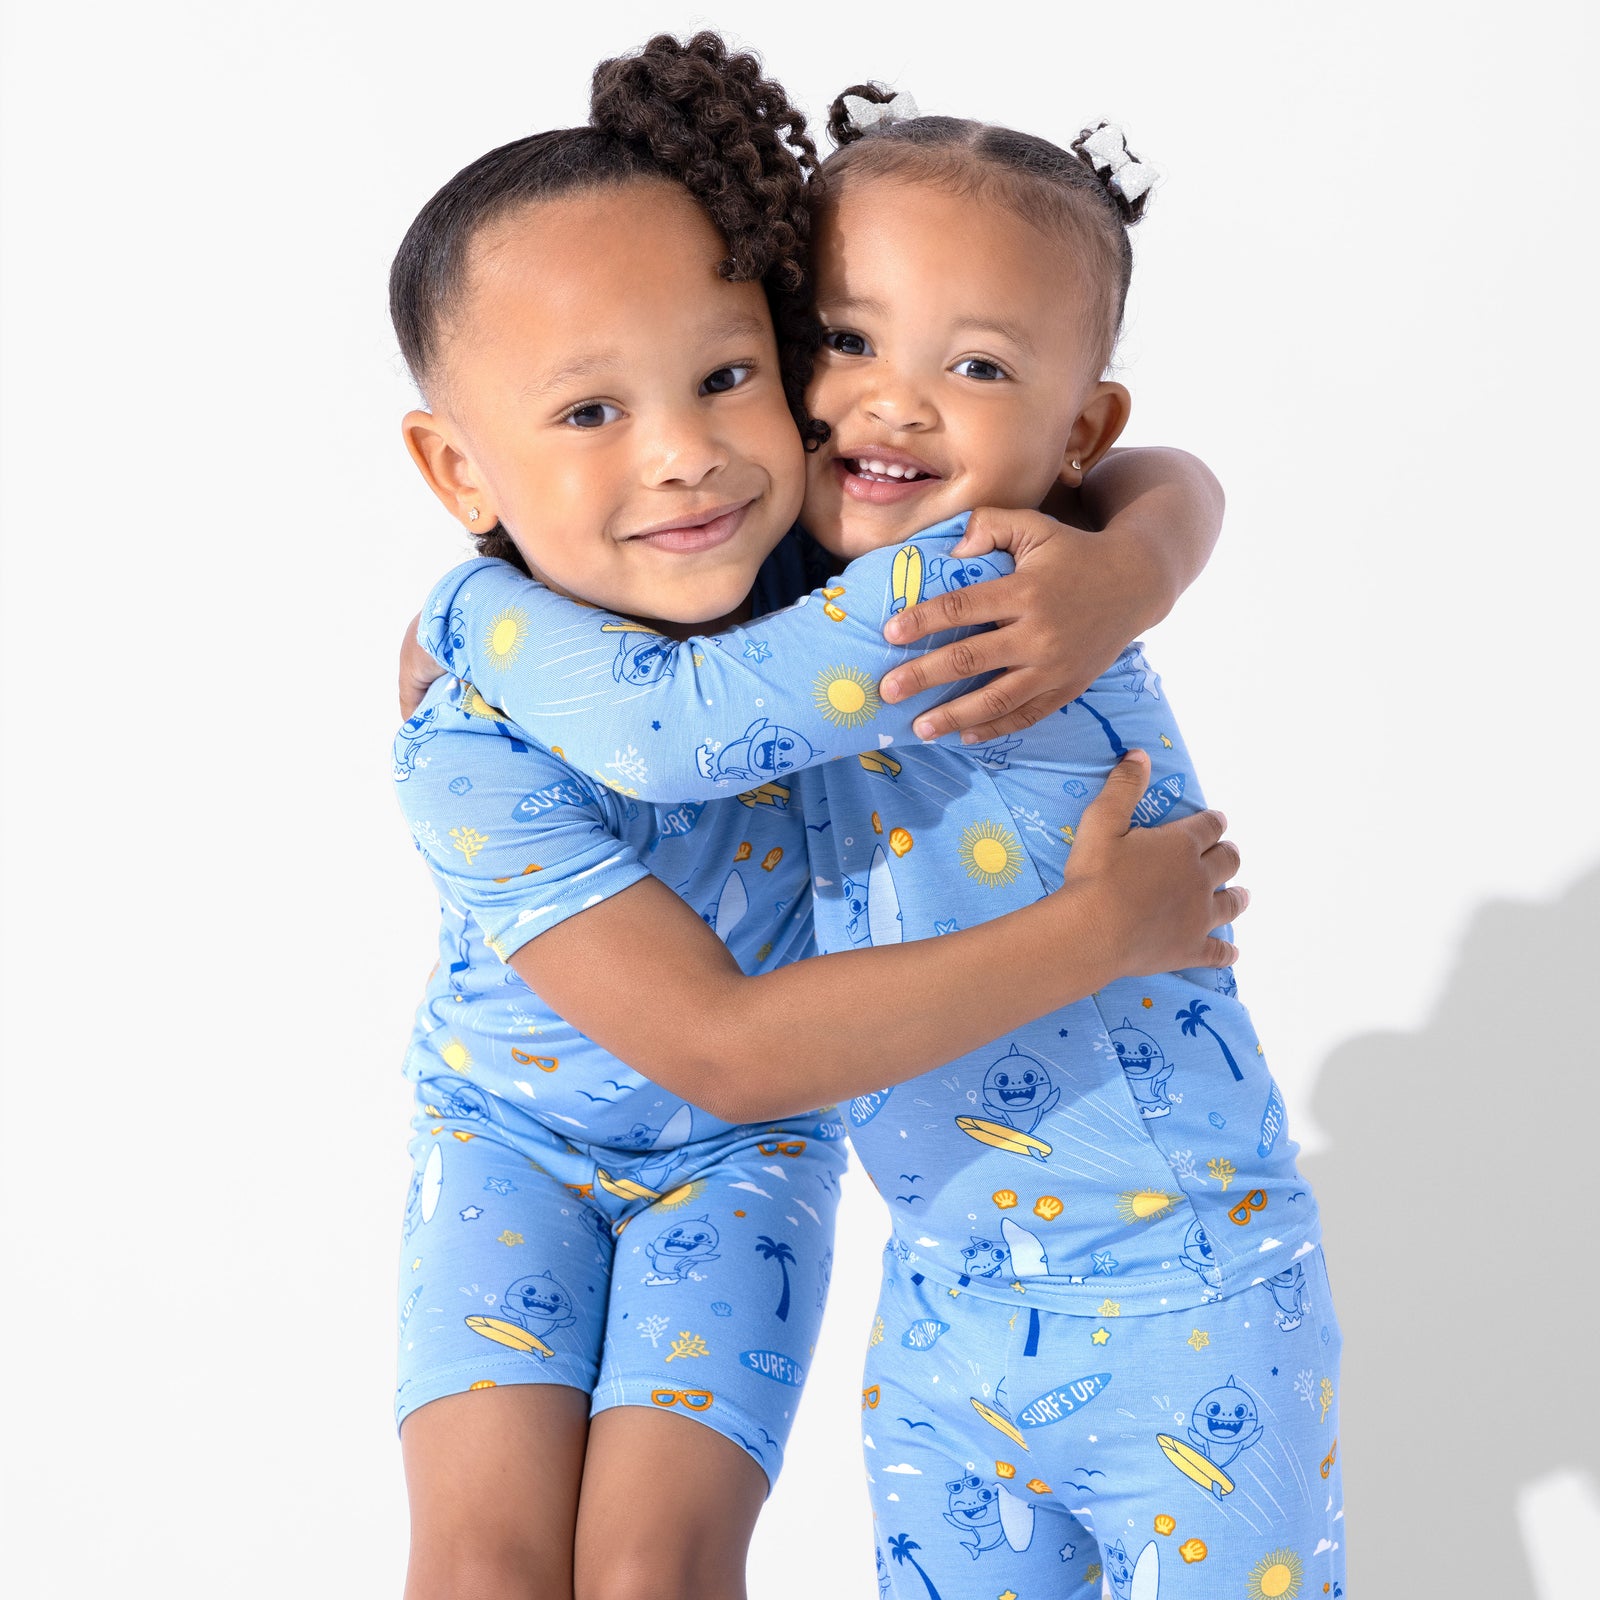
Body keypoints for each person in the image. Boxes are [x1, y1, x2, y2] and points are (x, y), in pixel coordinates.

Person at [413, 81, 1343, 1600]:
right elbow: (668, 723)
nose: (894, 403)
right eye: (845, 343)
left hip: (1166, 1285)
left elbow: (679, 728)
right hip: (921, 1297)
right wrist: (1143, 559)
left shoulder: (956, 577)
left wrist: (1135, 563)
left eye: (972, 365)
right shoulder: (754, 585)